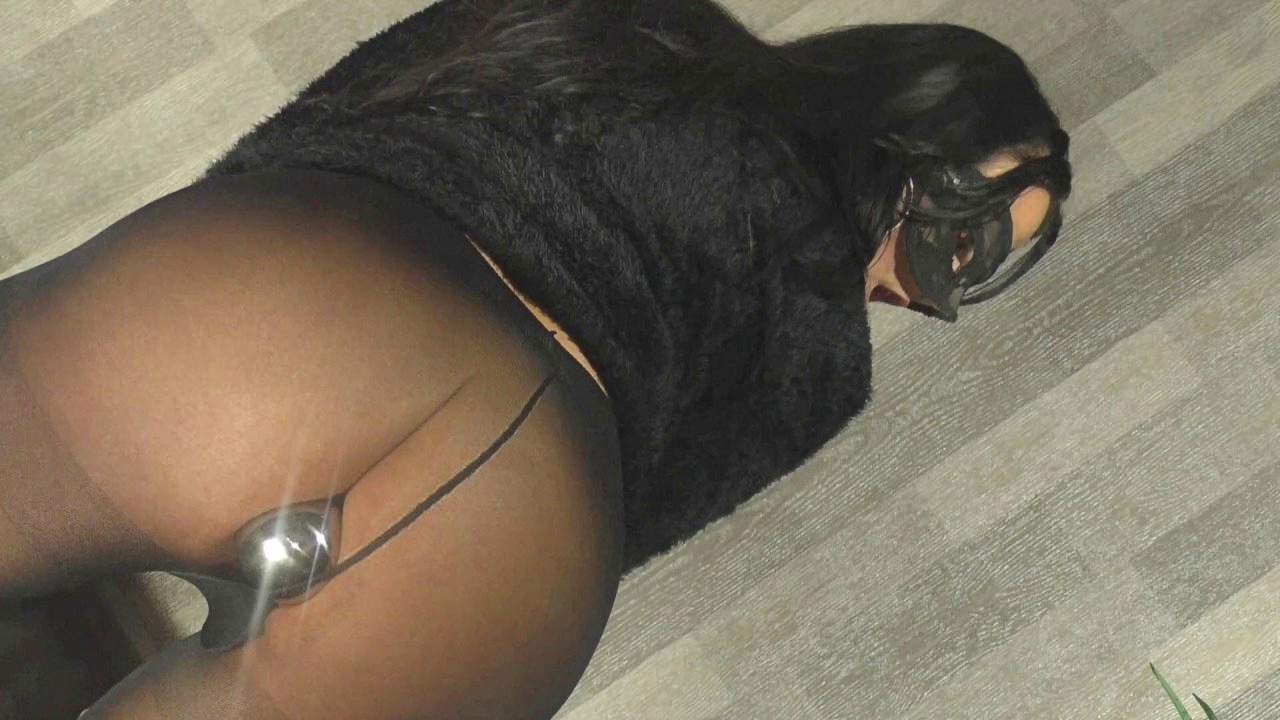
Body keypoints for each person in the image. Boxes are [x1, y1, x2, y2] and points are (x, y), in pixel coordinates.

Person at [0, 0, 1071, 717]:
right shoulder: (826, 363)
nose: (926, 298)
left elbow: (365, 98)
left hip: (312, 297)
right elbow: (643, 512)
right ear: (905, 132)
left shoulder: (652, 22)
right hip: (521, 530)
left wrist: (231, 242)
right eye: (958, 248)